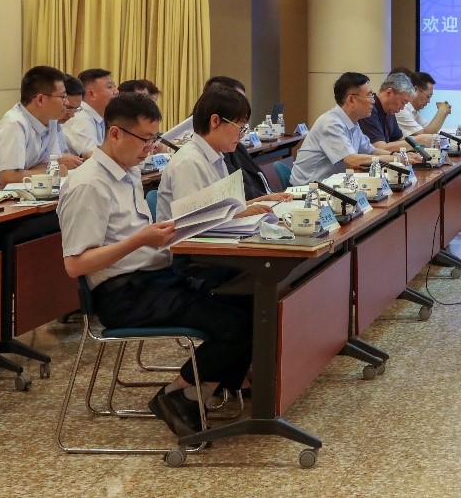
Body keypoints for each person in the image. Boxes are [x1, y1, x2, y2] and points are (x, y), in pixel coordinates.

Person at [58, 93, 253, 438]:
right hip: (125, 295)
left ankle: (192, 394)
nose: (151, 149)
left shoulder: (128, 172)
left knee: (250, 304)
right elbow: (75, 265)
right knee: (236, 324)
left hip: (155, 278)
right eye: (145, 140)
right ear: (115, 133)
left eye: (154, 139)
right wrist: (141, 240)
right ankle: (178, 394)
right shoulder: (88, 184)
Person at [155, 87, 291, 222]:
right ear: (215, 121)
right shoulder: (189, 162)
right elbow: (193, 222)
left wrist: (263, 200)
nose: (242, 135)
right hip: (190, 236)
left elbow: (223, 209)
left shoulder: (216, 156)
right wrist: (243, 214)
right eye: (240, 127)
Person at [0, 65, 83, 187]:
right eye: (63, 97)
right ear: (40, 99)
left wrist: (53, 169)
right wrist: (55, 171)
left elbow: (50, 164)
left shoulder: (51, 121)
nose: (67, 102)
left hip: (26, 192)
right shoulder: (15, 124)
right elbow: (8, 178)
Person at [289, 72, 397, 185]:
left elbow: (371, 151)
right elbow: (352, 160)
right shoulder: (331, 124)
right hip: (308, 189)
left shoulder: (353, 123)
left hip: (330, 186)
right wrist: (395, 160)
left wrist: (395, 155)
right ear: (351, 100)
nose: (373, 101)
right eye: (369, 96)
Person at [64, 68, 118, 158]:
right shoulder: (81, 118)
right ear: (92, 94)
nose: (116, 91)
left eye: (115, 86)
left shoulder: (98, 117)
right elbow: (93, 156)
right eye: (109, 87)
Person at [359, 71, 415, 151]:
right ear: (389, 93)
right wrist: (418, 140)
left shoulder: (389, 111)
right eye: (403, 102)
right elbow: (378, 148)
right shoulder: (368, 109)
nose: (402, 108)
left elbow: (398, 140)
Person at [395, 71, 451, 144]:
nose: (428, 101)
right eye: (428, 96)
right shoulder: (402, 109)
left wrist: (444, 113)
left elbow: (428, 129)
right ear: (415, 90)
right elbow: (425, 135)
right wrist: (442, 111)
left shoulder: (413, 111)